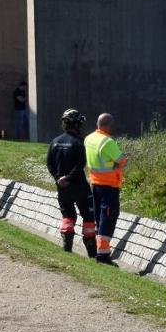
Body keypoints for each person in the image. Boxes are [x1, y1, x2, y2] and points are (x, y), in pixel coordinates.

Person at [46, 109, 97, 257]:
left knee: (68, 216)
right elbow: (81, 164)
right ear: (77, 124)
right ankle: (92, 253)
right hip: (80, 186)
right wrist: (68, 177)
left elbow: (49, 163)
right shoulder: (80, 142)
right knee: (88, 217)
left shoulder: (54, 142)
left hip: (62, 189)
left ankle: (67, 248)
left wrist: (59, 178)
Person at [84, 113, 128, 265]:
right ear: (108, 125)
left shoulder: (89, 138)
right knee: (108, 217)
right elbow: (122, 160)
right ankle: (103, 254)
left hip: (95, 183)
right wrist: (119, 161)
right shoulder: (107, 142)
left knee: (99, 216)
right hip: (109, 185)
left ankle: (100, 249)